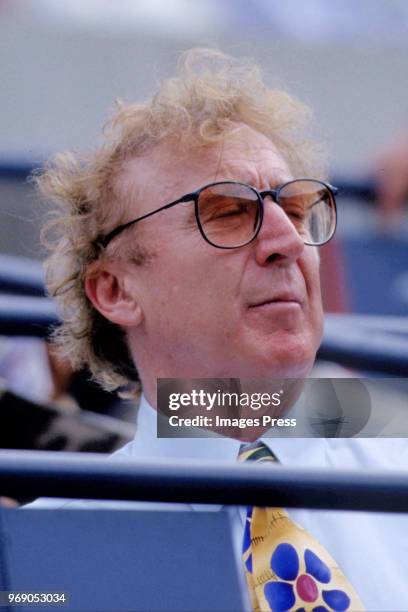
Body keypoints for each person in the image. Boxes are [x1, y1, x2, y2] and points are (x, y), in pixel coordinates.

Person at [32, 49, 408, 610]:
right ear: (115, 290)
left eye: (298, 209)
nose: (287, 242)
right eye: (228, 213)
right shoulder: (41, 557)